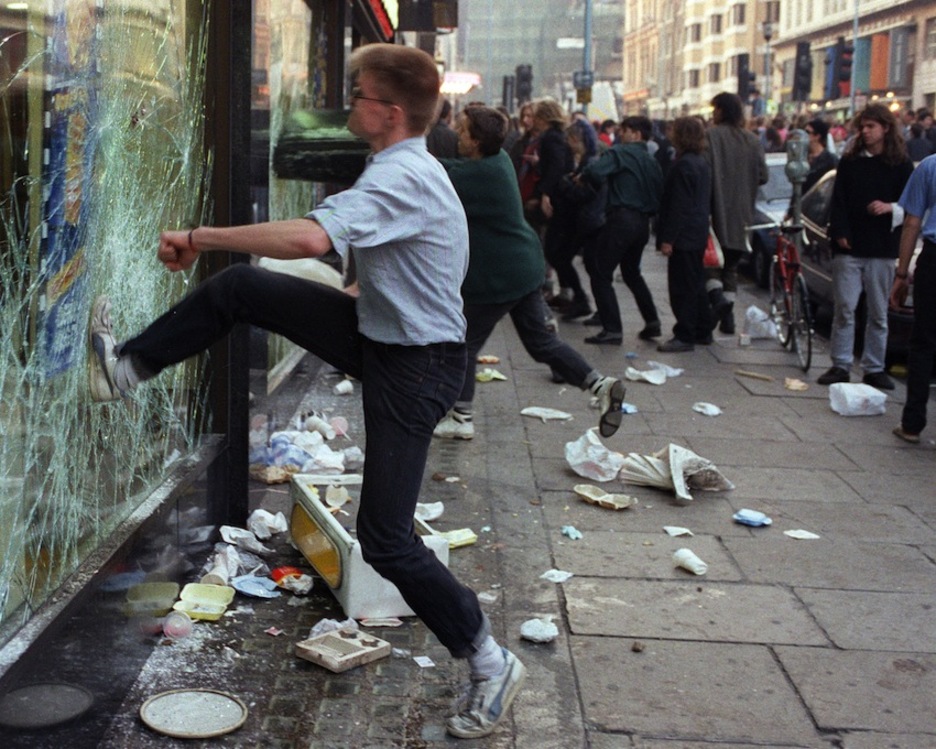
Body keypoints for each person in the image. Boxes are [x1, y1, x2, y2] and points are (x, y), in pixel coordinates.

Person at [87, 43, 524, 740]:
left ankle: (489, 659)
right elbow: (370, 260)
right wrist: (339, 291)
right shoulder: (399, 167)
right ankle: (127, 367)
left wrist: (202, 236)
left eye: (358, 94)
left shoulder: (404, 173)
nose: (348, 102)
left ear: (388, 111)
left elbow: (309, 236)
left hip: (413, 368)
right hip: (383, 339)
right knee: (243, 290)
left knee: (385, 539)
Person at [433, 106, 625, 441]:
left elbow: (435, 171)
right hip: (524, 268)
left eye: (463, 131)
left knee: (462, 342)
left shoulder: (479, 174)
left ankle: (461, 416)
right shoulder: (500, 162)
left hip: (502, 274)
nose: (458, 136)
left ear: (476, 141)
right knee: (541, 342)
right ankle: (600, 384)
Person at [817, 103, 914, 390]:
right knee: (845, 307)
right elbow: (840, 201)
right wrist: (841, 232)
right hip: (850, 246)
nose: (866, 132)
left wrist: (890, 207)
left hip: (882, 245)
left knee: (878, 311)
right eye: (863, 127)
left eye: (871, 126)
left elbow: (911, 207)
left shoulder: (900, 165)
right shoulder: (850, 161)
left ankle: (874, 366)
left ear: (885, 128)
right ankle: (841, 364)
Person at [580, 115, 664, 345]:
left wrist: (590, 180)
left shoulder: (621, 152)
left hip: (621, 219)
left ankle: (612, 328)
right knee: (631, 272)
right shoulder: (651, 160)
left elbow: (595, 172)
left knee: (600, 272)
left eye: (625, 131)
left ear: (636, 134)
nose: (620, 135)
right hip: (642, 223)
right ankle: (652, 321)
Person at [704, 92, 769, 335]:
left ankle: (719, 301)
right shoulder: (752, 141)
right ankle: (728, 315)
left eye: (715, 109)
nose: (712, 114)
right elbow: (764, 175)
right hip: (742, 215)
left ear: (721, 110)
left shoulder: (710, 136)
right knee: (730, 266)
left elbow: (704, 171)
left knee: (710, 266)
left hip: (715, 212)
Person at [655, 116, 714, 352]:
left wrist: (668, 238)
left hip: (684, 235)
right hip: (696, 232)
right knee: (695, 283)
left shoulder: (684, 165)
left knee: (682, 287)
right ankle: (702, 328)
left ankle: (685, 333)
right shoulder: (699, 162)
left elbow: (678, 206)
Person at [890, 153, 936, 443]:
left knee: (923, 341)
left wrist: (902, 273)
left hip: (934, 261)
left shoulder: (930, 166)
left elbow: (911, 223)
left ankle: (912, 424)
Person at [542, 118, 601, 321]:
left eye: (570, 139)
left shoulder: (590, 163)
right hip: (579, 219)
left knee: (564, 257)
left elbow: (587, 193)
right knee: (561, 257)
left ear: (576, 139)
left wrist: (565, 185)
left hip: (584, 220)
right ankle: (580, 299)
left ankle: (583, 301)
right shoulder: (585, 161)